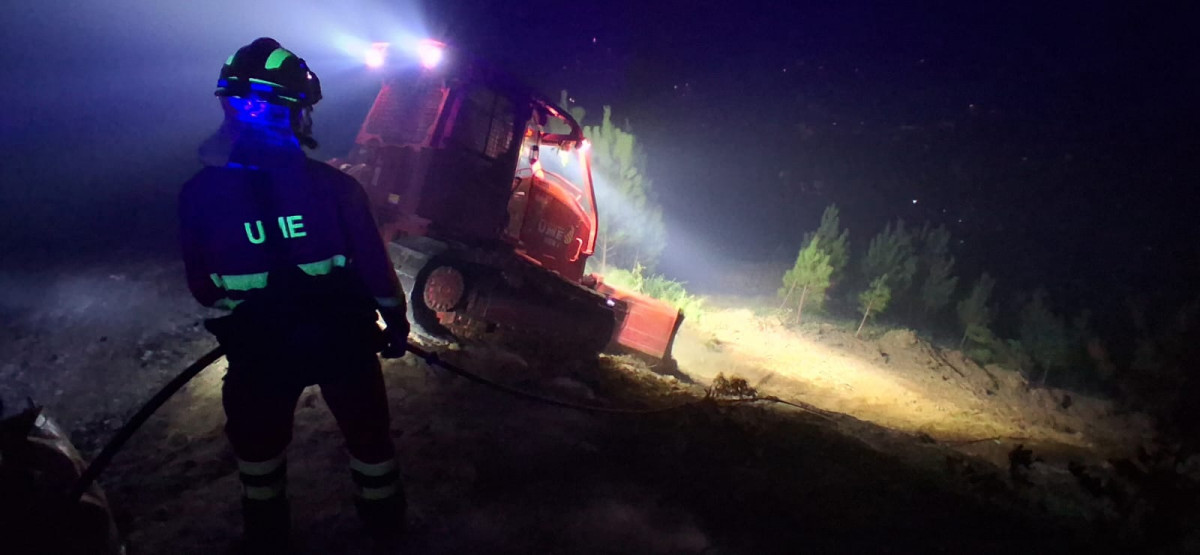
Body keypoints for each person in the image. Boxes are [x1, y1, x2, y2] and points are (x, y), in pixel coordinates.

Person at [178, 37, 411, 551]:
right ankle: (386, 532)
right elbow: (377, 275)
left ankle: (268, 538)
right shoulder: (337, 189)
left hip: (258, 352)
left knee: (259, 460)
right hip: (343, 343)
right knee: (370, 443)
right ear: (293, 112)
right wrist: (395, 324)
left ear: (230, 107)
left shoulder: (197, 195)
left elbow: (203, 290)